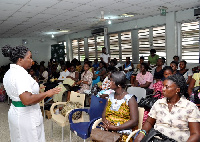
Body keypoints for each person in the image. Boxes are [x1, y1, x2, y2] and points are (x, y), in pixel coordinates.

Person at [2, 45, 61, 142]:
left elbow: (17, 90)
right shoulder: (21, 75)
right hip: (26, 117)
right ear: (20, 59)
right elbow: (26, 99)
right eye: (29, 57)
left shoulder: (10, 72)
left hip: (16, 112)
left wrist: (36, 88)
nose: (31, 60)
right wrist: (46, 94)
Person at [134, 74, 200, 142]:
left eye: (166, 87)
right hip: (157, 139)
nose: (163, 89)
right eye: (163, 86)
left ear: (177, 90)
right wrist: (142, 133)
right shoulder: (159, 103)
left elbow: (195, 134)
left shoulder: (190, 107)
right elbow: (149, 122)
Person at [101, 71, 139, 141]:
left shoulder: (130, 99)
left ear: (118, 85)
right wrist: (106, 123)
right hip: (108, 130)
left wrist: (116, 128)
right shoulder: (110, 96)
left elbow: (134, 121)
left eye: (111, 81)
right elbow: (104, 114)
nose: (109, 82)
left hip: (122, 133)